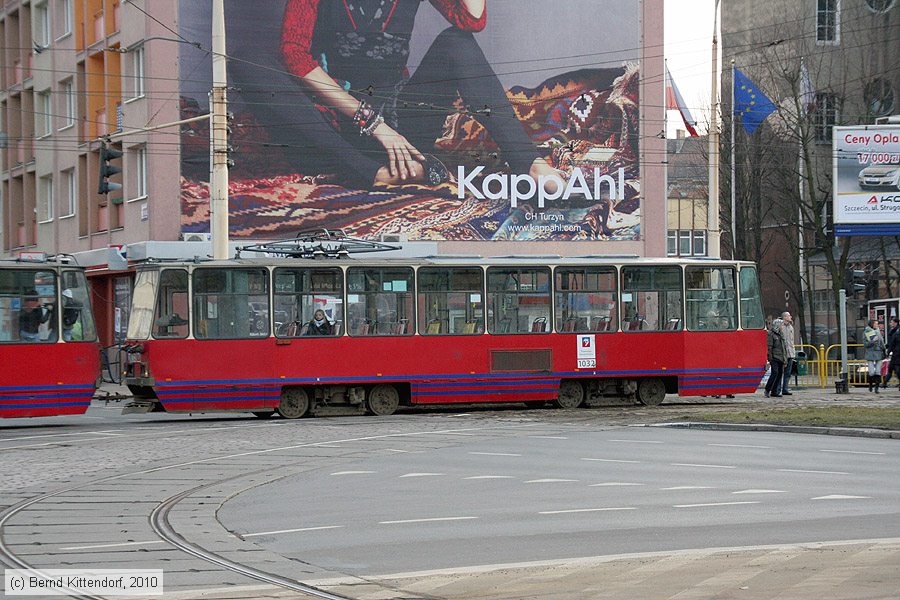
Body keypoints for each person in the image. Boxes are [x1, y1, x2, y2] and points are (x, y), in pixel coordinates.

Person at [227, 0, 559, 190]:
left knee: (457, 43)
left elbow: (470, 19)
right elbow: (295, 54)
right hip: (330, 131)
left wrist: (387, 127)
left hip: (403, 130)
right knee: (249, 61)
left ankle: (527, 161)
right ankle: (367, 172)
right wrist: (373, 124)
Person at [863, 319, 886, 393]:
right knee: (871, 372)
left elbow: (882, 342)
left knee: (878, 371)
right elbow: (865, 344)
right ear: (872, 324)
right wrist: (872, 341)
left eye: (877, 324)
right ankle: (870, 385)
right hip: (870, 353)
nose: (877, 325)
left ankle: (876, 388)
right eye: (876, 324)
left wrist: (884, 349)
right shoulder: (866, 332)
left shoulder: (878, 332)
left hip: (878, 353)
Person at [764, 317, 785, 398]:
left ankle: (774, 391)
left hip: (780, 357)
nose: (782, 327)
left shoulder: (780, 335)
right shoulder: (771, 334)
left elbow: (783, 347)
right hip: (774, 357)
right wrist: (770, 357)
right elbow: (769, 347)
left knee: (779, 374)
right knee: (774, 373)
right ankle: (767, 389)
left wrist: (785, 358)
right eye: (781, 325)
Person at [779, 311, 795, 396]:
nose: (790, 317)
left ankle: (785, 388)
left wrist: (793, 352)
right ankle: (777, 389)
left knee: (788, 373)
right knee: (780, 372)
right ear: (784, 317)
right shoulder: (780, 327)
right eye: (789, 316)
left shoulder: (791, 327)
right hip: (782, 353)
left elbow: (791, 341)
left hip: (790, 352)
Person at [888, 317, 900, 389]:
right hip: (895, 352)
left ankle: (884, 383)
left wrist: (889, 350)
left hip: (897, 352)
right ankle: (884, 383)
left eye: (891, 322)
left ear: (895, 323)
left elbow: (892, 342)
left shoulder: (896, 332)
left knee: (896, 369)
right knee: (892, 368)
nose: (890, 324)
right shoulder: (892, 331)